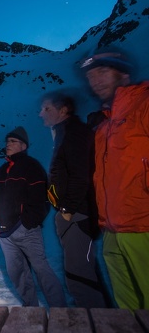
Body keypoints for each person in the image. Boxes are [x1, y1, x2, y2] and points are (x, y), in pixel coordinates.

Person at [79, 47, 149, 311]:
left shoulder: (144, 104)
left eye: (102, 71)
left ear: (123, 74)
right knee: (127, 312)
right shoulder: (104, 127)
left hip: (143, 227)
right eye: (90, 75)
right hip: (111, 232)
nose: (95, 80)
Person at [39, 92, 108, 308]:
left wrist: (67, 208)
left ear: (63, 110)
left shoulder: (74, 132)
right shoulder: (64, 132)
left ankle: (93, 320)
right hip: (73, 212)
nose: (41, 113)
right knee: (80, 269)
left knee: (80, 275)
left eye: (46, 108)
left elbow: (80, 174)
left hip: (77, 213)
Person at [0, 126, 67, 307]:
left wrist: (28, 222)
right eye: (7, 141)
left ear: (23, 146)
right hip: (5, 233)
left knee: (41, 269)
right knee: (17, 273)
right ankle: (30, 309)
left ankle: (60, 310)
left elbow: (42, 199)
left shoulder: (32, 167)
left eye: (12, 141)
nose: (7, 144)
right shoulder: (3, 170)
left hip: (26, 230)